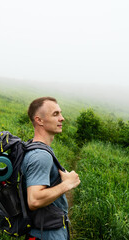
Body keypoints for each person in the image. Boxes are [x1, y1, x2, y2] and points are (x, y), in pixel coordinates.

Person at [21, 97, 81, 240]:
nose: (62, 118)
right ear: (39, 120)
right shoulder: (41, 156)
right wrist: (67, 184)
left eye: (60, 113)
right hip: (46, 233)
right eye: (55, 114)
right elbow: (34, 200)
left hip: (45, 230)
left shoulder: (36, 148)